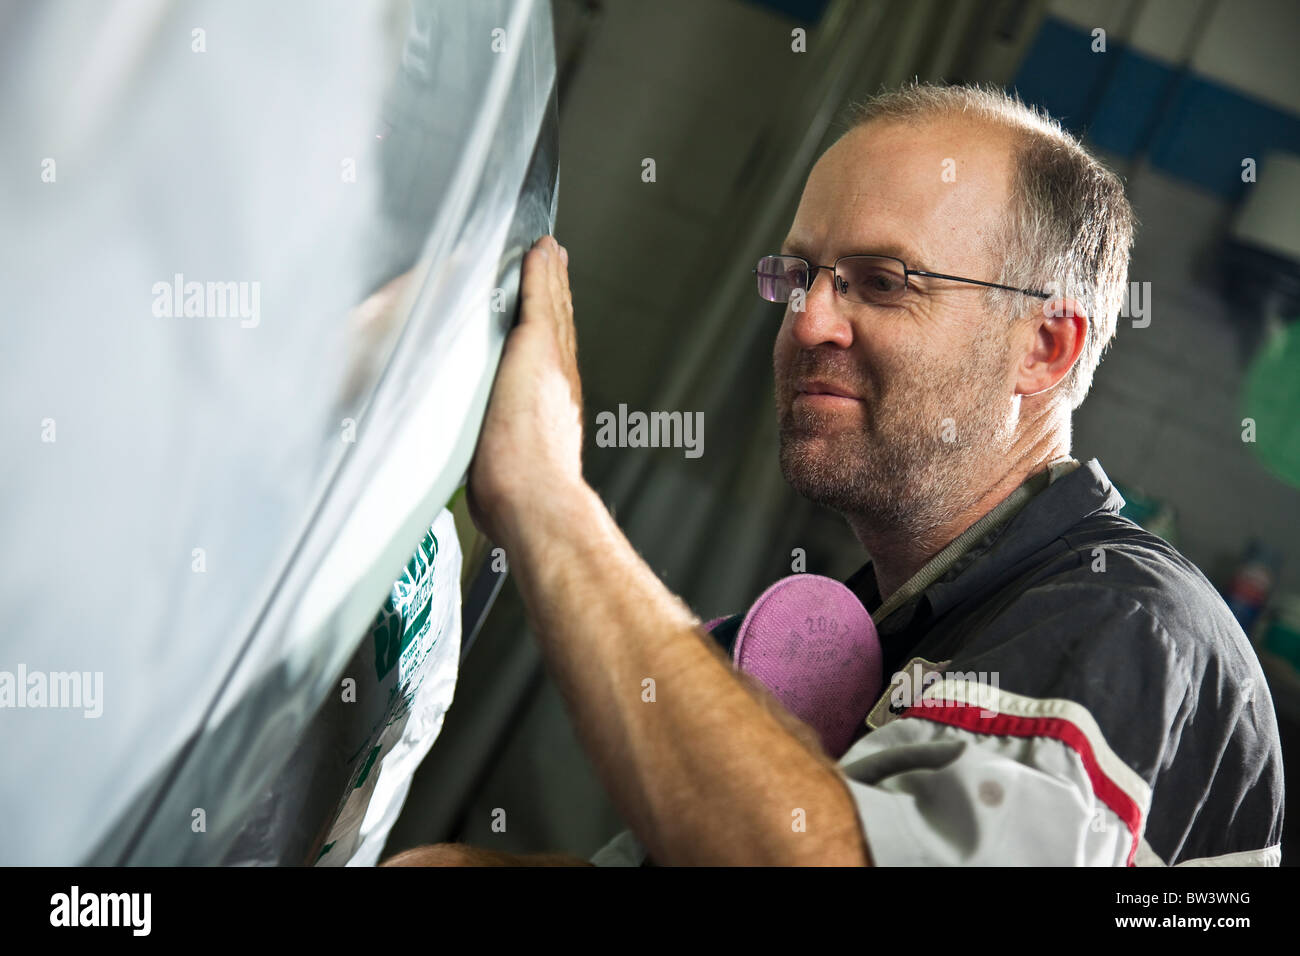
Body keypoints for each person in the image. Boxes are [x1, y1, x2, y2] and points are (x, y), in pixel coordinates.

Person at [381, 83, 1284, 867]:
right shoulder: (881, 624)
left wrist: (545, 495)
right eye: (800, 274)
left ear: (1045, 348)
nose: (808, 321)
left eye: (883, 281)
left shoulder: (1124, 620)